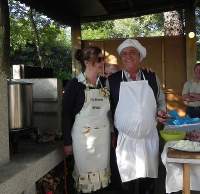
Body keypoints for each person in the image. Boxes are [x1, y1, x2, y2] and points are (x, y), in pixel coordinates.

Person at [108, 39, 167, 194]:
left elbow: (160, 100)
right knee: (127, 178)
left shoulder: (152, 77)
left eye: (132, 52)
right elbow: (108, 109)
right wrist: (111, 132)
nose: (128, 56)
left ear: (140, 56)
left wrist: (161, 112)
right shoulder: (112, 80)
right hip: (125, 139)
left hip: (149, 137)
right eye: (124, 53)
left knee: (148, 177)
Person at [63, 46, 113, 193]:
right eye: (99, 59)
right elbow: (66, 114)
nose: (102, 62)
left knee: (102, 179)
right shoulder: (74, 85)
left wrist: (113, 132)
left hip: (103, 139)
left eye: (103, 59)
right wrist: (67, 143)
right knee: (86, 181)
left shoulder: (105, 83)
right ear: (86, 62)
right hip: (83, 140)